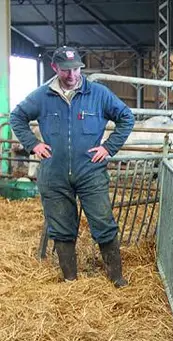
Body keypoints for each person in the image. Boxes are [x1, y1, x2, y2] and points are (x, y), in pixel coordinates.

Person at [10, 46, 134, 287]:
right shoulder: (42, 96)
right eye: (66, 70)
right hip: (54, 174)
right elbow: (17, 117)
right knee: (61, 226)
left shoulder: (98, 93)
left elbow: (126, 117)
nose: (72, 75)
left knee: (103, 221)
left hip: (90, 172)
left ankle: (116, 277)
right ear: (55, 68)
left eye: (76, 69)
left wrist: (108, 147)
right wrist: (33, 144)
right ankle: (71, 280)